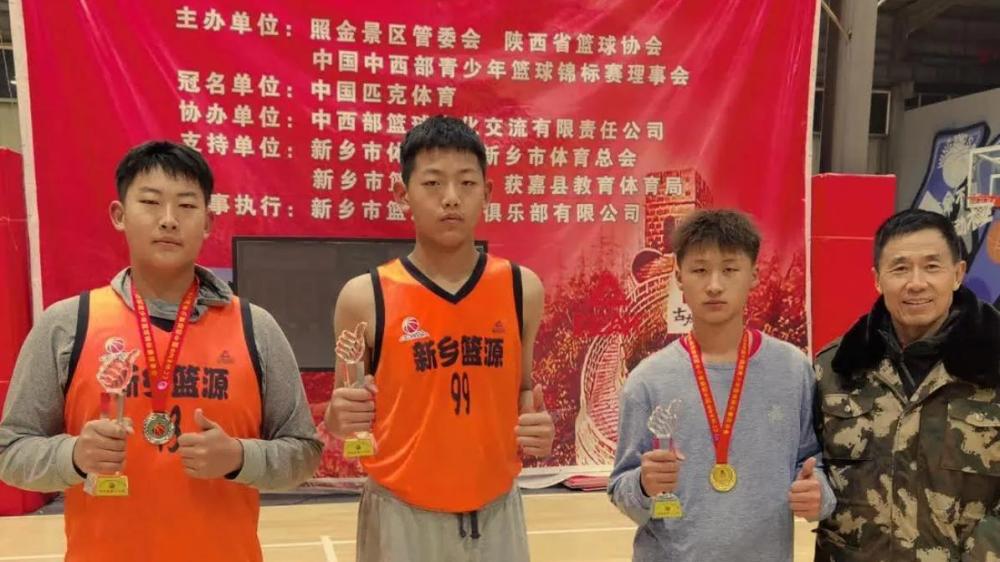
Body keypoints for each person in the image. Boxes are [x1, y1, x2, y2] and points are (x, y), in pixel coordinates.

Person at [0, 140, 322, 562]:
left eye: (186, 206)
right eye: (151, 202)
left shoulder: (255, 328)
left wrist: (241, 457)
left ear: (207, 222)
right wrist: (73, 455)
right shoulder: (66, 324)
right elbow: (11, 452)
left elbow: (304, 452)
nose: (168, 219)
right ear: (119, 214)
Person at [324, 115, 555, 562]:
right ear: (402, 194)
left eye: (467, 183)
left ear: (488, 193)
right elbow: (342, 418)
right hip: (400, 514)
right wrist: (340, 415)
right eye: (432, 183)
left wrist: (537, 429)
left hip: (496, 509)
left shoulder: (521, 288)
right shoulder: (365, 296)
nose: (451, 198)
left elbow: (523, 390)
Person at [609, 209, 835, 561]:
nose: (714, 285)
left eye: (730, 269)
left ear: (754, 275)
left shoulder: (793, 370)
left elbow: (810, 461)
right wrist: (643, 484)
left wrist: (818, 493)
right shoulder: (648, 380)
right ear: (679, 277)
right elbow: (621, 489)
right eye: (700, 270)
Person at [813, 209, 1000, 561]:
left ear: (957, 274)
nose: (916, 283)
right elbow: (808, 464)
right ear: (877, 279)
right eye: (900, 268)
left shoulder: (993, 364)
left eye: (932, 266)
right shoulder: (834, 369)